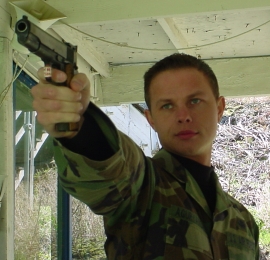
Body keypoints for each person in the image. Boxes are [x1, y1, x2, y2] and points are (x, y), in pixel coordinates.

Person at [31, 53, 259, 259]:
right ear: (151, 119)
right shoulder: (143, 187)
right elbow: (115, 166)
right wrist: (78, 125)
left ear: (219, 108)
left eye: (194, 101)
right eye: (167, 106)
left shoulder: (243, 221)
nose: (183, 116)